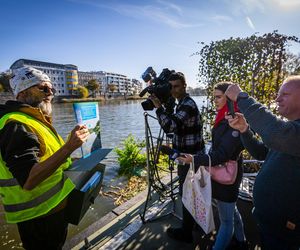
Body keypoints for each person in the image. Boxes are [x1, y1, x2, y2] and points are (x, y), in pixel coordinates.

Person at [0, 66, 89, 250]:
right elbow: (29, 179)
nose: (50, 93)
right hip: (38, 217)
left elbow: (48, 158)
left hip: (53, 209)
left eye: (52, 89)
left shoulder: (35, 120)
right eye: (43, 88)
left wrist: (74, 159)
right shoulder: (16, 124)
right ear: (23, 93)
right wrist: (69, 146)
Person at [225, 76, 300, 250]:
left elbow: (276, 133)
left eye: (285, 94)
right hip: (269, 223)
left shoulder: (291, 133)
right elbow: (262, 153)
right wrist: (244, 130)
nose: (277, 99)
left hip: (285, 231)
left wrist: (242, 97)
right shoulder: (292, 130)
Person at [177, 82, 247, 249]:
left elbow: (222, 154)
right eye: (213, 97)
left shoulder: (233, 121)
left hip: (227, 175)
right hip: (222, 173)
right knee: (231, 210)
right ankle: (241, 240)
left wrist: (194, 159)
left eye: (218, 97)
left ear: (230, 99)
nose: (214, 100)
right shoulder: (225, 117)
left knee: (226, 221)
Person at [149, 72, 204, 243]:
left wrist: (158, 108)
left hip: (190, 160)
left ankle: (186, 232)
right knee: (191, 193)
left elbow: (171, 126)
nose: (173, 90)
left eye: (176, 86)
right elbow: (178, 127)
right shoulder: (182, 104)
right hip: (189, 157)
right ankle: (194, 223)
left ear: (184, 86)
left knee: (186, 194)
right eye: (170, 86)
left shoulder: (187, 104)